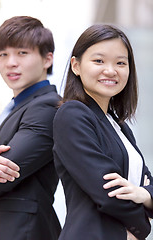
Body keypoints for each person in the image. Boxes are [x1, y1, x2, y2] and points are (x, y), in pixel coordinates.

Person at [53, 24, 153, 240]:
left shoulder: (120, 127)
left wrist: (144, 193)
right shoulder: (73, 114)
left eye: (120, 63)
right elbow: (109, 192)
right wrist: (142, 225)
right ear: (76, 66)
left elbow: (148, 182)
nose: (110, 70)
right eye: (99, 61)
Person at [0, 16, 61, 240]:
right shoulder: (11, 110)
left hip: (23, 231)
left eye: (22, 53)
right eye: (2, 54)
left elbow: (4, 175)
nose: (10, 62)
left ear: (47, 59)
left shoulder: (48, 107)